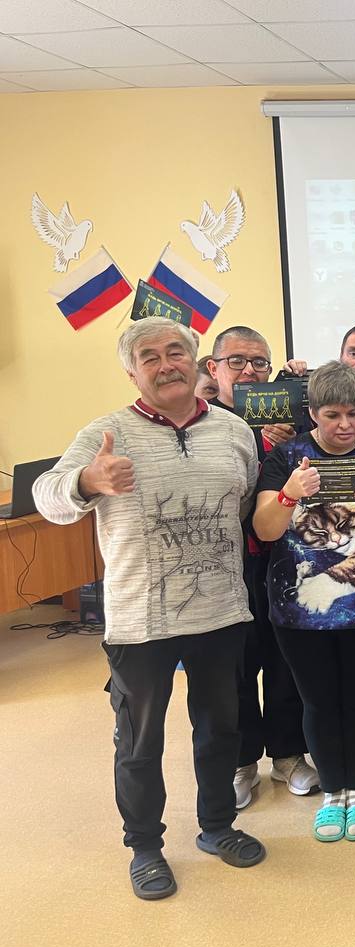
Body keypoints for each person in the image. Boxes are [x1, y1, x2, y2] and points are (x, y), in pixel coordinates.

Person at [33, 317, 265, 901]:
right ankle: (144, 847)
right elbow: (48, 499)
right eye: (150, 357)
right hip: (140, 620)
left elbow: (242, 506)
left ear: (195, 360)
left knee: (220, 729)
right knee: (139, 741)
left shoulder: (236, 431)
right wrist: (87, 481)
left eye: (175, 352)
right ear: (132, 373)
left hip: (221, 612)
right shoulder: (106, 433)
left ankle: (217, 826)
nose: (166, 365)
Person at [252, 361, 355, 844]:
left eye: (354, 413)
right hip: (298, 612)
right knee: (318, 701)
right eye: (332, 415)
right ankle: (332, 793)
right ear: (312, 413)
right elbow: (264, 530)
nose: (345, 425)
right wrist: (289, 494)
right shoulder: (286, 458)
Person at [205, 324, 318, 807]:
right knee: (234, 665)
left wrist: (288, 443)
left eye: (259, 363)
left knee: (284, 658)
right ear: (214, 368)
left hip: (282, 559)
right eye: (237, 361)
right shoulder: (203, 421)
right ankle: (241, 761)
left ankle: (289, 754)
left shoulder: (287, 415)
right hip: (224, 564)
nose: (249, 371)